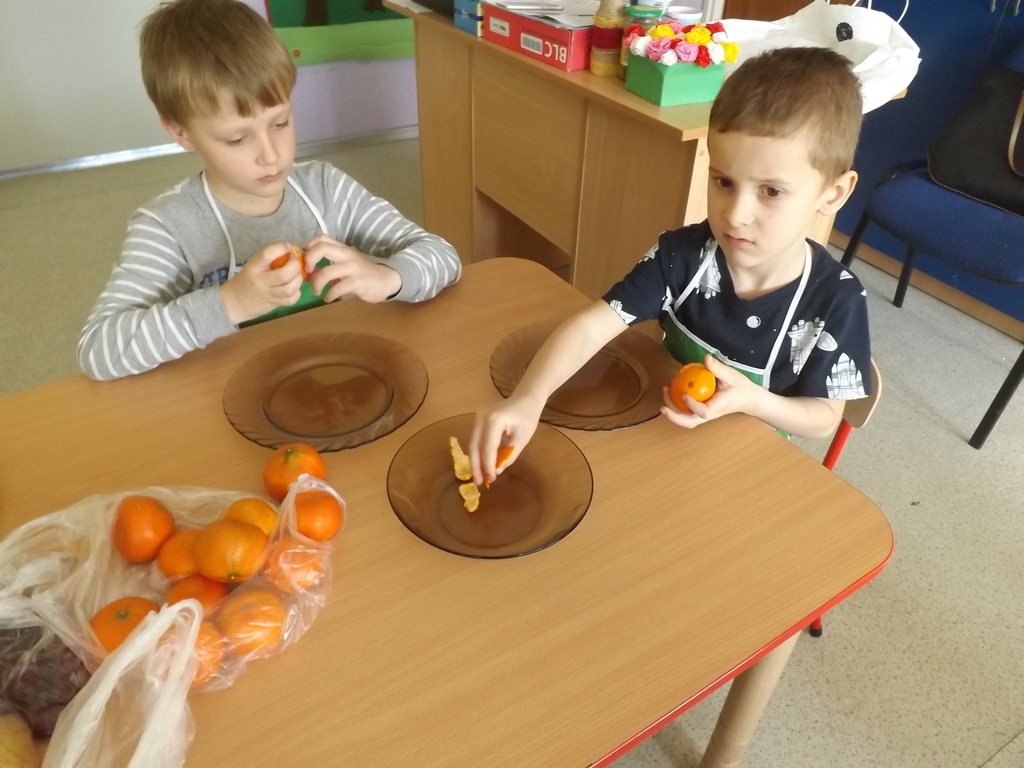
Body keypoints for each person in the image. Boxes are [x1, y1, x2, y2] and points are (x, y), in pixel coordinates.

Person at [470, 46, 873, 483]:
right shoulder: (681, 255)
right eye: (723, 181)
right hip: (662, 442)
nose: (736, 214)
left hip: (749, 472)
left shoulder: (838, 300)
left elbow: (823, 419)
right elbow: (589, 328)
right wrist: (529, 398)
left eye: (771, 191)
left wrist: (752, 400)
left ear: (833, 193)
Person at [78, 0, 460, 381]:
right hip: (226, 394)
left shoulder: (328, 189)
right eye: (237, 138)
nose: (271, 155)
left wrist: (386, 277)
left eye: (280, 123)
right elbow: (98, 350)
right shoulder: (168, 227)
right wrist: (230, 302)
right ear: (180, 130)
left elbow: (443, 256)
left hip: (334, 377)